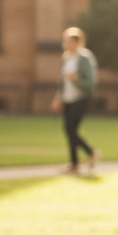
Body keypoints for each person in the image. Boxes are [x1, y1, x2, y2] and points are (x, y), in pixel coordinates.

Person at [50, 27, 98, 174]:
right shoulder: (66, 57)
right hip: (68, 98)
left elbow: (90, 81)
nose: (67, 44)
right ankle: (76, 163)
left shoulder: (84, 58)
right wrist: (58, 97)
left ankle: (88, 153)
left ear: (77, 42)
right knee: (69, 130)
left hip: (81, 98)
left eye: (70, 41)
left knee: (71, 129)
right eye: (66, 41)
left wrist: (76, 79)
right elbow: (63, 82)